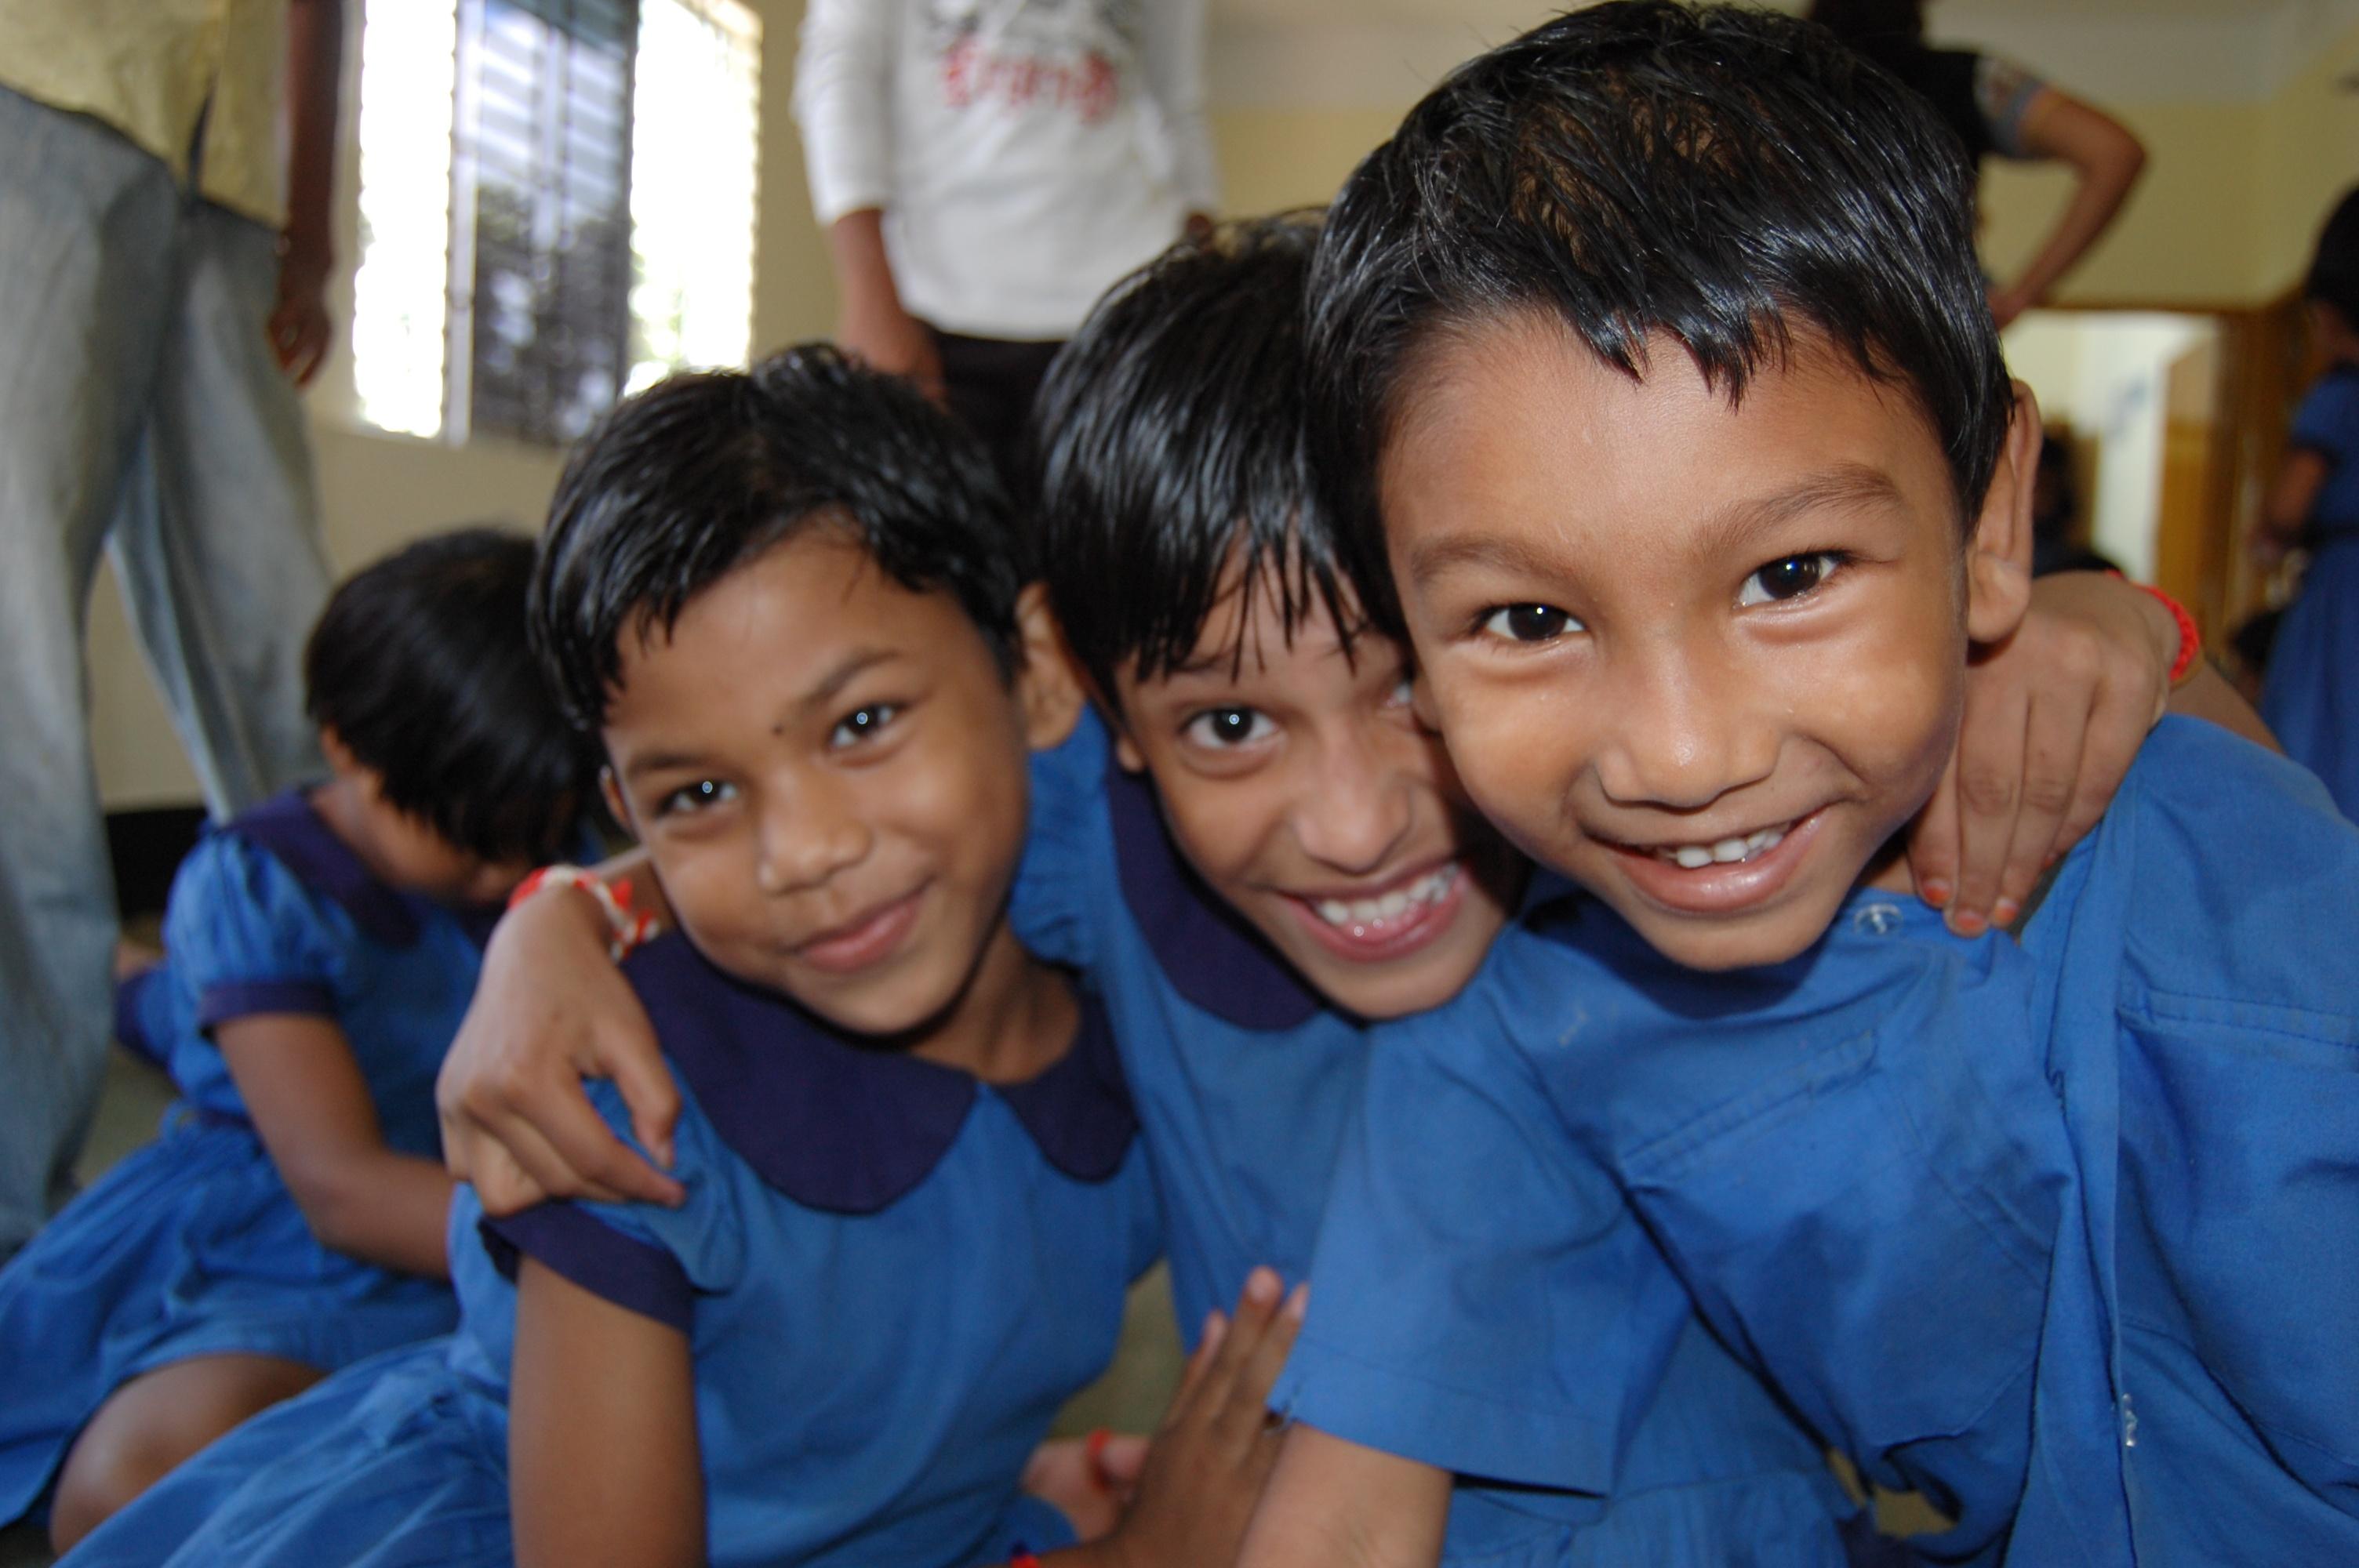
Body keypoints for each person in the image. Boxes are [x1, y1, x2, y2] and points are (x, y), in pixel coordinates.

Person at [431, 220, 2207, 1560]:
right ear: (1110, 705)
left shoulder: (1666, 807)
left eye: (1420, 681)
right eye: (1226, 720)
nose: (1351, 820)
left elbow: (2170, 760)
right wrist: (564, 919)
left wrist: (2105, 622)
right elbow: (819, 809)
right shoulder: (1115, 816)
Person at [1234, 8, 2357, 1565]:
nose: (1683, 756)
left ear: (1986, 526)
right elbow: (1348, 1510)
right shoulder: (1528, 1023)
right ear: (1409, 653)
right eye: (1529, 619)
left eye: (1791, 572)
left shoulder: (2226, 920)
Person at [62, 347, 1300, 1568]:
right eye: (701, 791)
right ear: (625, 810)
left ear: (1033, 674)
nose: (804, 850)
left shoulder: (1131, 955)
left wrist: (993, 1479)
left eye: (862, 723)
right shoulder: (635, 1108)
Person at [0, 529, 587, 1554]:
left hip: (457, 1229)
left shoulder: (553, 855)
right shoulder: (264, 885)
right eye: (476, 838)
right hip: (301, 1228)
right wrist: (571, 1255)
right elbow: (340, 1186)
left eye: (536, 837)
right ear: (348, 747)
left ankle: (147, 994)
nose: (511, 875)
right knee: (124, 1485)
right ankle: (124, 983)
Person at [0, 0, 347, 1262]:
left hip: (229, 166)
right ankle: (11, 1213)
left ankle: (381, 1109)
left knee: (302, 681)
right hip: (39, 90)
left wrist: (309, 214)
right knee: (18, 680)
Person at [794, 0, 1218, 481]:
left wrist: (1200, 301)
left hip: (1124, 319)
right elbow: (838, 72)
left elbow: (1179, 107)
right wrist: (868, 294)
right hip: (939, 321)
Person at [1809, 0, 2145, 328]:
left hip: (1809, 309)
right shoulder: (1968, 78)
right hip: (1933, 315)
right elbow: (2115, 152)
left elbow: (2116, 153)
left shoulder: (1779, 86)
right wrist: (2020, 297)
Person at [2254, 186, 2359, 819]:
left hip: (2343, 600)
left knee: (2318, 769)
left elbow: (2288, 509)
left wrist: (2270, 533)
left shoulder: (2338, 394)